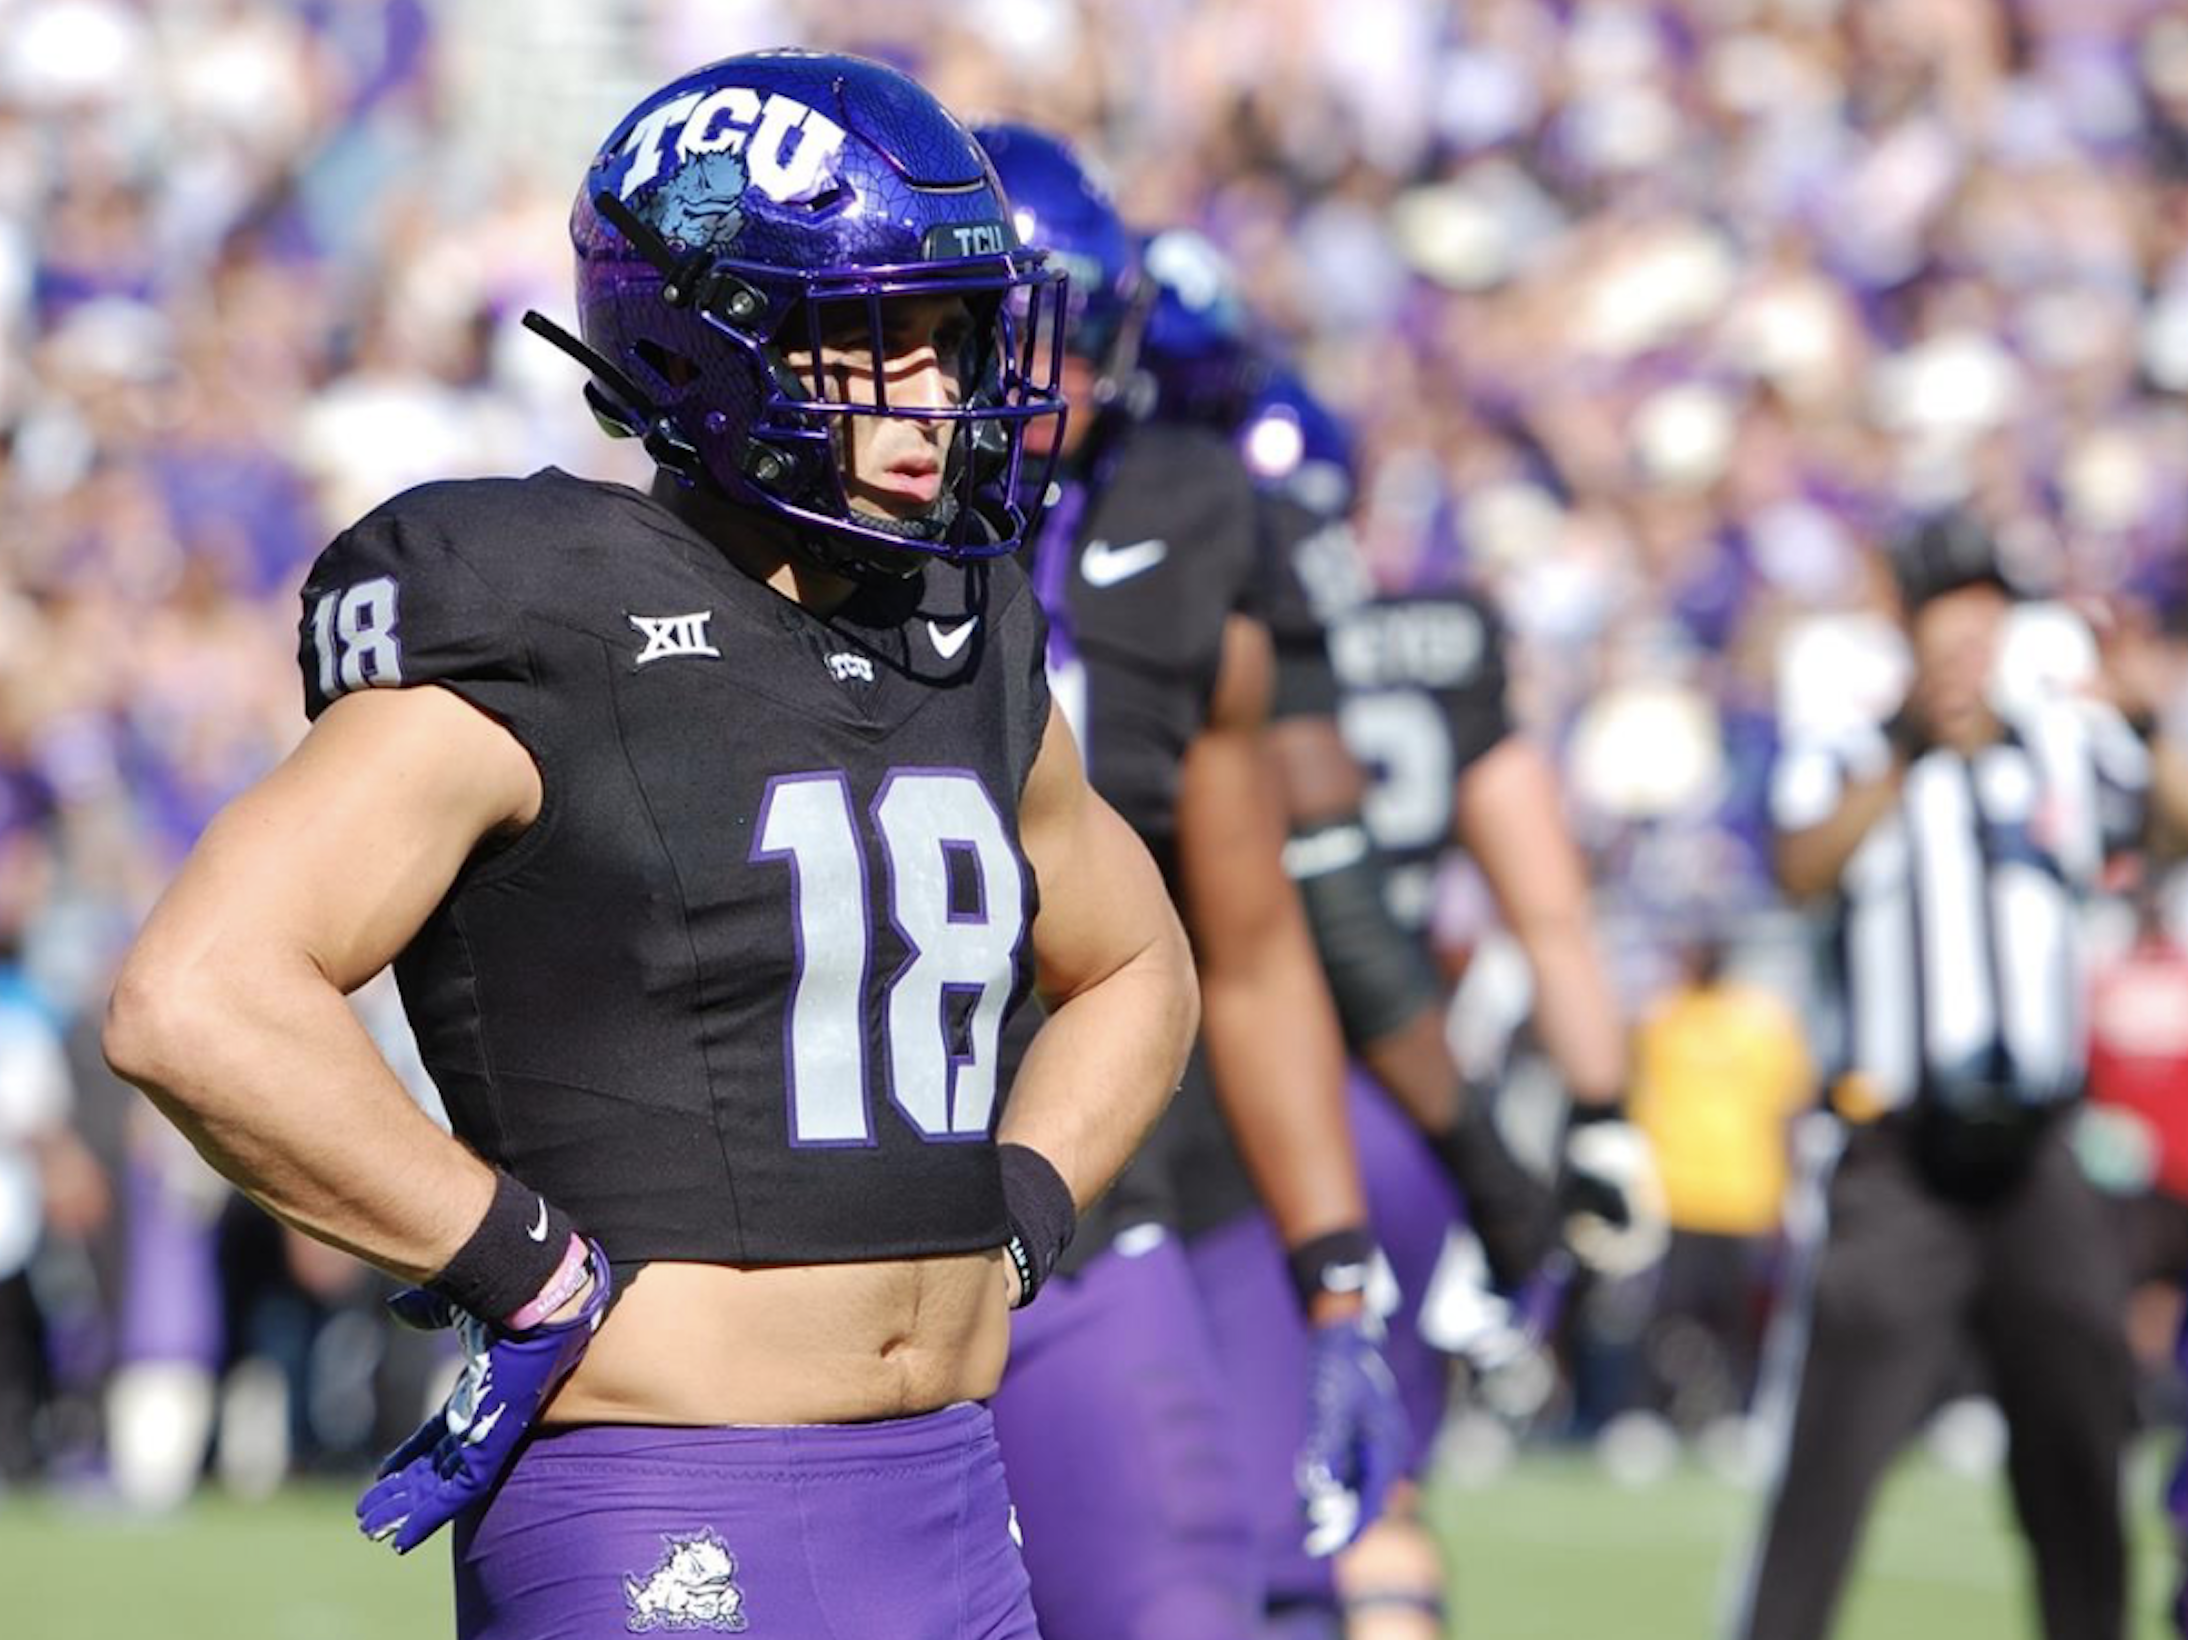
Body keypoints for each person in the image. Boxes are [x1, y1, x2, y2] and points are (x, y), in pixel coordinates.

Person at [105, 51, 1199, 1639]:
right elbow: (195, 999)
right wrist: (513, 1261)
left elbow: (1137, 961)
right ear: (712, 338)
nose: (936, 391)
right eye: (865, 336)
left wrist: (1021, 1206)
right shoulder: (544, 608)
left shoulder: (964, 629)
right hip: (658, 1502)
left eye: (946, 333)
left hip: (958, 1496)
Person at [1137, 232, 1657, 1639]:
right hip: (1383, 1093)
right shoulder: (1437, 630)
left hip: (1205, 1087)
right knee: (1365, 1498)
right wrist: (1589, 1116)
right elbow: (1542, 907)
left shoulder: (1145, 587)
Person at [971, 125, 1403, 1640]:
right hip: (805, 1195)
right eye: (1018, 332)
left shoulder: (1184, 510)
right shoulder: (778, 538)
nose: (1053, 381)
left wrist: (1336, 1265)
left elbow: (1256, 935)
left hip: (1079, 1179)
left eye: (1079, 335)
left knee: (1179, 1611)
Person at [1737, 515, 2186, 1640]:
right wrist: (1902, 748)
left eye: (1989, 605)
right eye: (1952, 606)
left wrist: (2146, 706)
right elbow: (1796, 867)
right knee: (1829, 1460)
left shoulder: (2057, 741)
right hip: (1897, 1155)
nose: (1972, 632)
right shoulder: (1853, 741)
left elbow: (2164, 827)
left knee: (2081, 1438)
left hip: (2036, 1150)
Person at [1626, 936, 1813, 1435]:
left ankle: (1739, 1413)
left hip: (1745, 1192)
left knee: (1741, 1318)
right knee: (1664, 1314)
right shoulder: (1661, 1017)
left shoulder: (1764, 1022)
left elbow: (1789, 1108)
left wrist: (1793, 1185)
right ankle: (1648, 1415)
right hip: (1674, 1191)